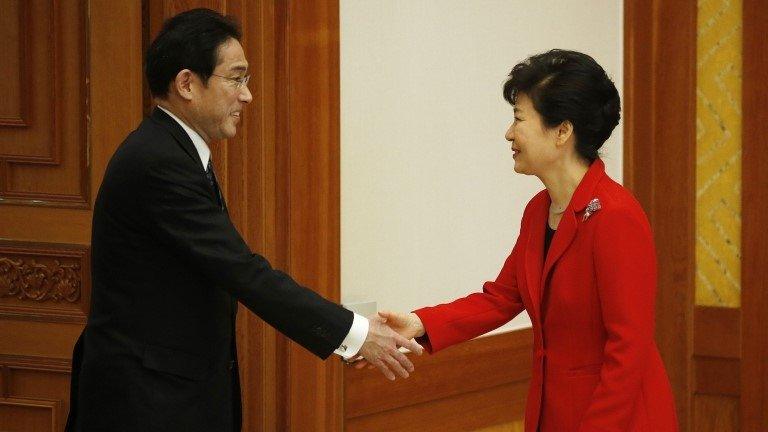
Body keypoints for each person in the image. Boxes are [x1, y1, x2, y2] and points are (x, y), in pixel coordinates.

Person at [64, 9, 421, 432]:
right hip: (146, 401)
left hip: (168, 391)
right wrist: (356, 334)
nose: (247, 95)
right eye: (235, 78)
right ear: (186, 84)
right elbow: (242, 271)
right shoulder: (158, 161)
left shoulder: (172, 149)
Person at [367, 50, 678, 432]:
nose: (509, 133)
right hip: (554, 414)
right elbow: (502, 297)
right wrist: (418, 324)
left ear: (562, 131)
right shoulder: (539, 210)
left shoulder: (616, 216)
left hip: (616, 420)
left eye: (518, 119)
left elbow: (629, 352)